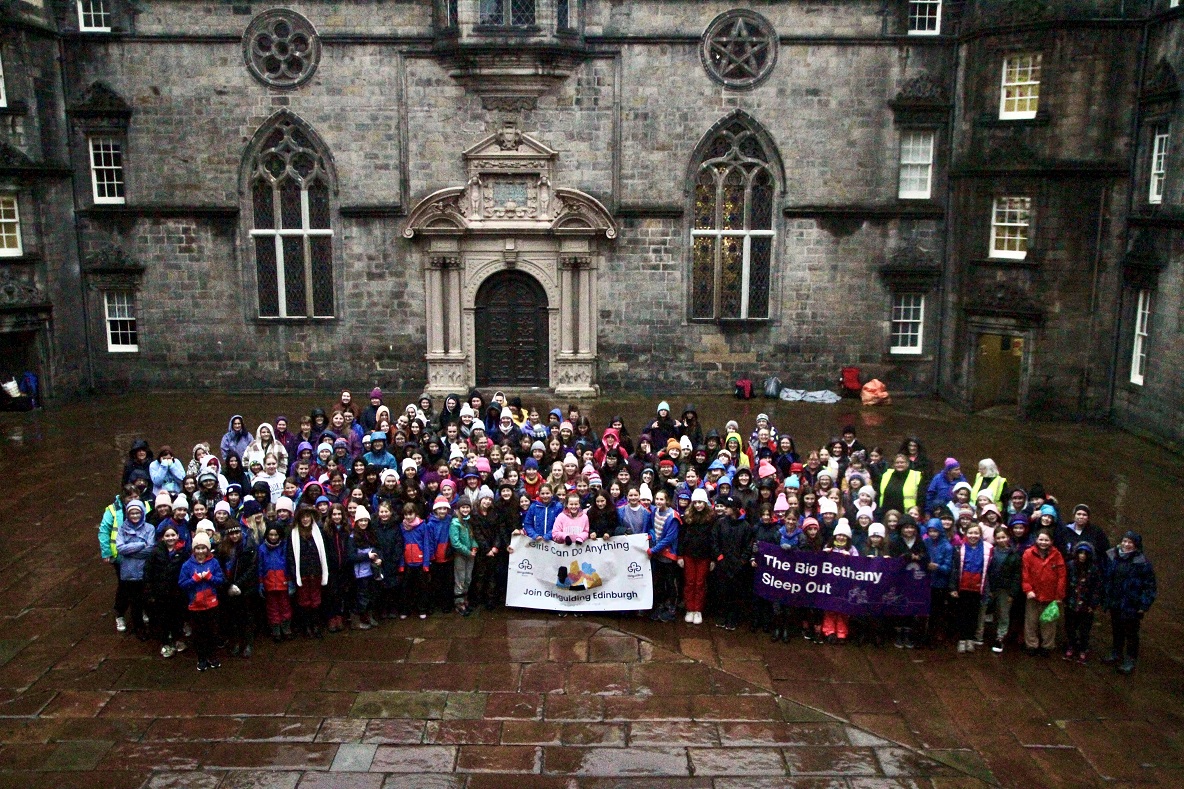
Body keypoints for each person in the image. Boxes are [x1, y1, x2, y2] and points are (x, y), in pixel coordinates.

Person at [1102, 531, 1156, 675]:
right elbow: (1106, 577)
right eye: (1124, 541)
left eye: (1130, 543)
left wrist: (1143, 605)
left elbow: (1150, 586)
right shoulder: (1113, 556)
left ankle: (1130, 658)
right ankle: (1116, 652)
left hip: (1132, 603)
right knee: (1116, 629)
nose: (1126, 545)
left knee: (1131, 633)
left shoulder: (1142, 563)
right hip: (1115, 601)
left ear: (1136, 545)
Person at [178, 532, 225, 671]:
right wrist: (195, 580)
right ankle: (201, 657)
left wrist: (209, 577)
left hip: (211, 604)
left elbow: (220, 580)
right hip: (195, 605)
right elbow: (182, 583)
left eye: (203, 548)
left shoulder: (214, 562)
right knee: (199, 633)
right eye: (197, 548)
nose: (200, 551)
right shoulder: (187, 565)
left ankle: (212, 655)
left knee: (212, 631)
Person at [144, 525, 189, 658]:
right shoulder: (156, 552)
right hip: (161, 592)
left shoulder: (182, 552)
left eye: (173, 535)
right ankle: (165, 643)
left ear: (177, 536)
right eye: (167, 536)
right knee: (162, 618)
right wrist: (149, 591)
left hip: (177, 591)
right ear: (163, 538)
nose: (170, 538)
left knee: (177, 617)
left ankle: (177, 639)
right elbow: (148, 572)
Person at [1021, 529, 1067, 656]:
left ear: (1051, 541)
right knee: (1031, 621)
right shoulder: (1028, 553)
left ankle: (1047, 645)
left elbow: (1062, 576)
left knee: (1048, 622)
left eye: (1046, 540)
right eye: (1041, 539)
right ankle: (1031, 644)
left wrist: (1059, 595)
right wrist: (1028, 589)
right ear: (1036, 540)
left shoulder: (1057, 555)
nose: (1043, 542)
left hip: (1050, 594)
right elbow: (1025, 573)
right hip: (1033, 594)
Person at [115, 499, 155, 641]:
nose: (135, 516)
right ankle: (138, 628)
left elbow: (150, 549)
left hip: (144, 571)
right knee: (135, 602)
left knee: (147, 599)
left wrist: (130, 549)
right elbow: (120, 548)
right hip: (129, 572)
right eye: (132, 513)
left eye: (138, 512)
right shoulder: (122, 528)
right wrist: (140, 545)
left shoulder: (149, 528)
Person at [711, 496, 752, 631]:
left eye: (728, 507)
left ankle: (733, 617)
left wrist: (742, 561)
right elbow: (715, 541)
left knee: (735, 593)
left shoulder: (745, 526)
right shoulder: (721, 523)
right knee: (722, 591)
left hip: (737, 566)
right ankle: (722, 615)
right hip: (723, 563)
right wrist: (719, 557)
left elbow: (748, 546)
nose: (725, 509)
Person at [217, 521, 257, 658]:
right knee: (232, 618)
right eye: (231, 533)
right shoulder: (222, 549)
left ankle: (247, 643)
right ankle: (235, 642)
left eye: (237, 532)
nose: (234, 536)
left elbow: (252, 568)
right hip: (228, 588)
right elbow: (219, 568)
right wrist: (228, 585)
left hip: (245, 588)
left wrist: (238, 584)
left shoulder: (249, 546)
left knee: (246, 617)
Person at [950, 523, 992, 654]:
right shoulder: (959, 548)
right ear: (965, 534)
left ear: (980, 535)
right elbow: (955, 569)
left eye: (976, 533)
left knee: (974, 614)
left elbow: (990, 571)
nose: (973, 536)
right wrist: (953, 587)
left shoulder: (988, 548)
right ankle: (962, 639)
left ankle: (970, 639)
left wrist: (988, 589)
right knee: (962, 613)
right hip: (963, 587)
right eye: (971, 533)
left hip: (978, 587)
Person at [1063, 542, 1103, 664]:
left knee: (1084, 630)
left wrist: (1093, 604)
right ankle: (1071, 645)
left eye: (1085, 554)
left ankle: (1083, 649)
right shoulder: (1070, 565)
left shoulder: (1094, 569)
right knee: (1070, 627)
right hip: (1071, 602)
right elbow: (1065, 583)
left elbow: (1097, 588)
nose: (1082, 556)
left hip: (1086, 605)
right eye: (1080, 553)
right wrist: (1064, 598)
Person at [985, 526, 1021, 653]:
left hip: (1005, 589)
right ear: (994, 538)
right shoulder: (990, 552)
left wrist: (1013, 593)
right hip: (991, 587)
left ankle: (1000, 638)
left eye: (1003, 537)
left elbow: (1017, 576)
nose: (1001, 540)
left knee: (1003, 614)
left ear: (1008, 538)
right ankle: (986, 634)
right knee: (987, 611)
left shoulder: (1014, 555)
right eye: (998, 537)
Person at [821, 520, 858, 644]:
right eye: (839, 535)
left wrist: (850, 558)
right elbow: (819, 563)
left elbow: (859, 566)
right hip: (830, 583)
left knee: (842, 609)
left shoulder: (852, 549)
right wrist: (824, 554)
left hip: (844, 584)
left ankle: (842, 632)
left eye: (844, 535)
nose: (841, 537)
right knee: (829, 607)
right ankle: (829, 631)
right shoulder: (828, 547)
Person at [257, 525, 293, 641]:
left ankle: (286, 628)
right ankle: (276, 630)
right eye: (271, 535)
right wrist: (261, 582)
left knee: (285, 606)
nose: (273, 537)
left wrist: (290, 580)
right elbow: (260, 567)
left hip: (283, 581)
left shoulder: (284, 547)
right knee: (272, 608)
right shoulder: (262, 549)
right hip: (269, 583)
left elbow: (288, 564)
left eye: (275, 535)